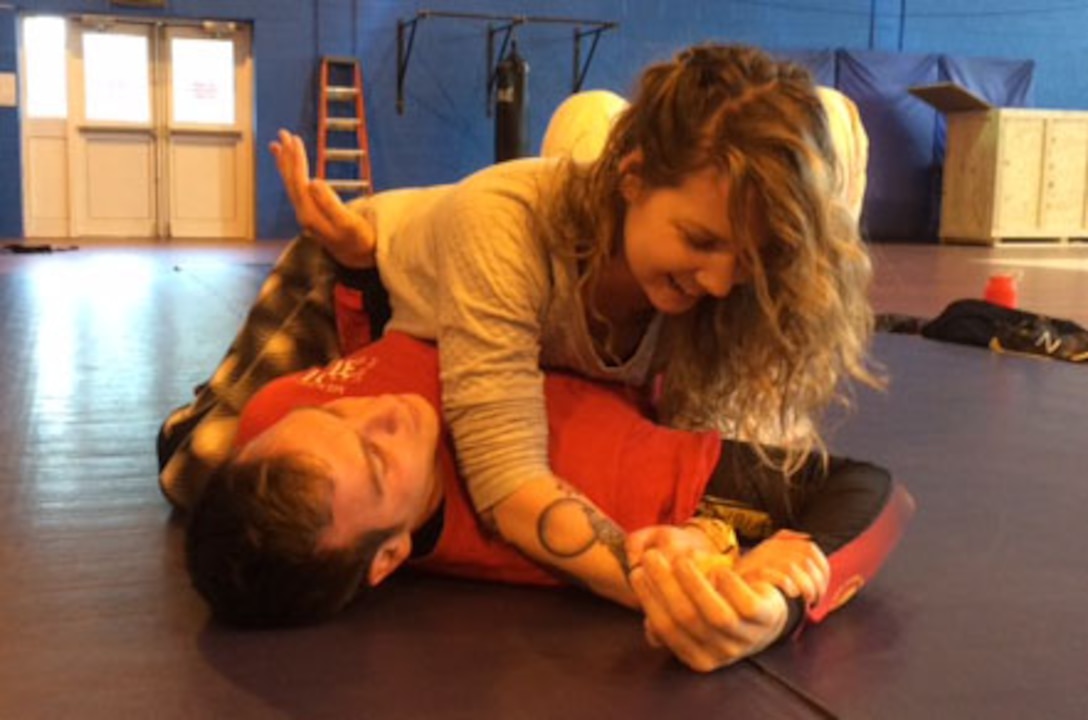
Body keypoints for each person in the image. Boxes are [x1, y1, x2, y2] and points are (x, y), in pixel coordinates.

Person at [259, 43, 883, 621]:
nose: (721, 282)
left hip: (575, 239)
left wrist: (709, 546)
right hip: (371, 242)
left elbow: (716, 453)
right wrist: (679, 595)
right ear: (633, 178)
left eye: (745, 259)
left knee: (826, 121)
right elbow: (507, 477)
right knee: (584, 116)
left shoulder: (725, 283)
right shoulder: (504, 228)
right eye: (700, 241)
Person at [187, 332, 914, 672]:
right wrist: (778, 597)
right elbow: (874, 492)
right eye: (377, 460)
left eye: (337, 414)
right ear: (389, 557)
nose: (379, 409)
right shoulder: (604, 497)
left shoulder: (274, 424)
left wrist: (352, 269)